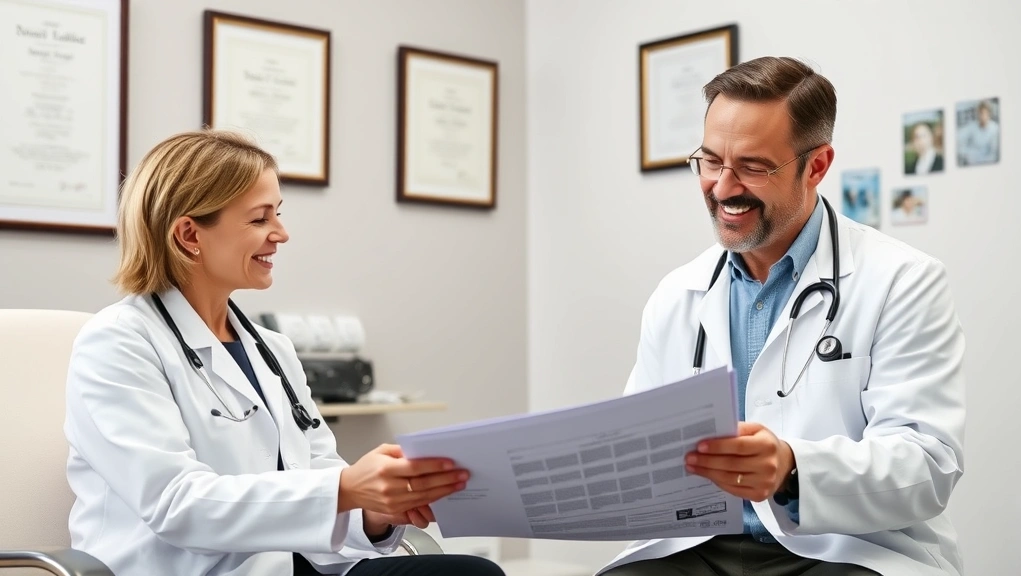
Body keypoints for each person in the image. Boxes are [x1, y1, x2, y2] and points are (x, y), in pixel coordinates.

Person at [64, 130, 506, 576]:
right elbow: (177, 505)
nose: (282, 234)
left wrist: (378, 509)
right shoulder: (118, 342)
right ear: (188, 234)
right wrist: (347, 488)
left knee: (469, 573)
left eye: (277, 214)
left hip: (299, 567)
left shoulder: (270, 349)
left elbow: (318, 474)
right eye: (259, 220)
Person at [599, 57, 965, 575]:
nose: (723, 188)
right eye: (709, 161)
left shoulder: (903, 280)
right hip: (698, 545)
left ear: (816, 166)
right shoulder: (677, 294)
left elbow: (928, 465)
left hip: (843, 547)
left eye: (752, 166)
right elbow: (638, 450)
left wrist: (793, 469)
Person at [957, 99, 1000, 165]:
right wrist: (968, 153)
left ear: (989, 114)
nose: (981, 116)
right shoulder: (972, 126)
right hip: (972, 162)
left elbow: (994, 152)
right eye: (979, 113)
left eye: (983, 113)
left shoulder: (995, 128)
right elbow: (959, 136)